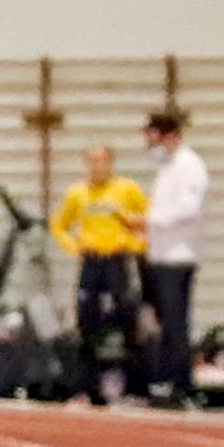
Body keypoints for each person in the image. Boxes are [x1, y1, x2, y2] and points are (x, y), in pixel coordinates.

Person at [50, 146, 147, 407]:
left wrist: (133, 244)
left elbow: (148, 221)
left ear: (111, 163)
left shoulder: (126, 190)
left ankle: (133, 388)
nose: (97, 166)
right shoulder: (77, 193)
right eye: (91, 161)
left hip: (117, 261)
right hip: (91, 263)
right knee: (87, 323)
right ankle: (85, 389)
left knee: (127, 321)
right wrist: (74, 246)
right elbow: (58, 225)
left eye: (102, 161)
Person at [139, 112, 207, 408]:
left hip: (177, 257)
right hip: (160, 255)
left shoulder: (189, 165)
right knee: (166, 323)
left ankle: (180, 383)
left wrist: (149, 220)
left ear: (167, 135)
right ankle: (165, 380)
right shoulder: (166, 167)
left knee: (176, 323)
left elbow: (188, 208)